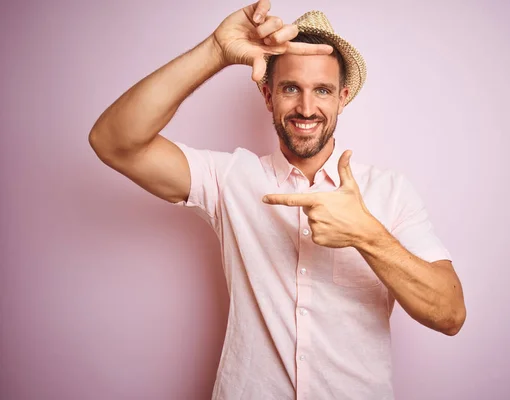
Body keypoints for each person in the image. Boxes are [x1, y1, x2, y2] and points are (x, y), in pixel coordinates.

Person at [88, 1, 466, 398]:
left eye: (322, 90)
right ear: (268, 96)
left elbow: (450, 314)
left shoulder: (389, 192)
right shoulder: (229, 179)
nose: (306, 108)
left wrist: (367, 235)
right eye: (290, 89)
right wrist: (216, 50)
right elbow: (114, 141)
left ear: (343, 97)